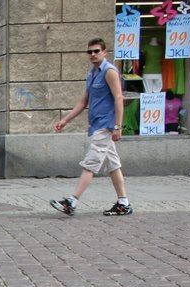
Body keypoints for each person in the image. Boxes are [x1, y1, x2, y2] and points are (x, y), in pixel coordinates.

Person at [50, 37, 132, 217]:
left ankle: (72, 201)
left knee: (90, 163)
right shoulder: (92, 73)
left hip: (105, 126)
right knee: (113, 165)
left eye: (96, 51)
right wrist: (65, 120)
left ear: (104, 52)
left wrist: (118, 126)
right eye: (90, 52)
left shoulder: (109, 71)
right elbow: (83, 101)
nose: (93, 54)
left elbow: (119, 98)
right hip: (96, 125)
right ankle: (123, 203)